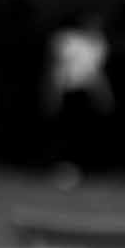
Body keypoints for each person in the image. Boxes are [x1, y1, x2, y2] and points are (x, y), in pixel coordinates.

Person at [44, 17, 114, 184]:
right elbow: (55, 68)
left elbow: (96, 73)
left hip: (86, 93)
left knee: (84, 133)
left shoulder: (99, 43)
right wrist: (54, 92)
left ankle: (83, 170)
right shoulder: (67, 39)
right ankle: (62, 170)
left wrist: (104, 94)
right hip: (68, 91)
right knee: (65, 131)